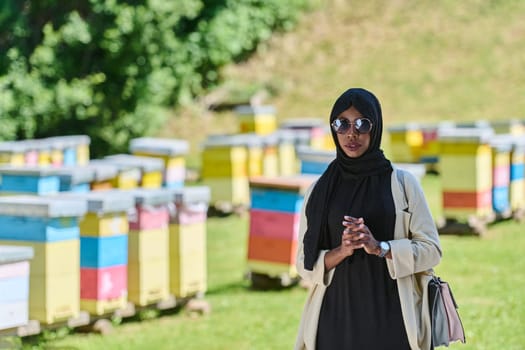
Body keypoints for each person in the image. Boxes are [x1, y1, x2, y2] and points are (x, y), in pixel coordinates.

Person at [294, 88, 442, 350]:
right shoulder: (319, 191)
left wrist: (381, 248)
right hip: (334, 321)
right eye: (342, 124)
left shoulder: (402, 184)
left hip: (393, 318)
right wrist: (342, 250)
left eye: (362, 123)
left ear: (376, 128)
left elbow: (432, 251)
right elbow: (305, 266)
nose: (352, 133)